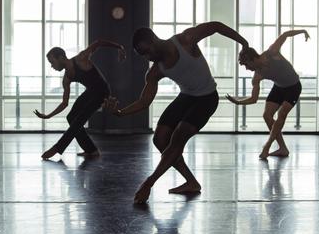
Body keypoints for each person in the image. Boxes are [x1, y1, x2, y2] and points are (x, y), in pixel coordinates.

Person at [104, 21, 249, 203]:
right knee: (159, 139)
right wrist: (119, 112)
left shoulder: (185, 40)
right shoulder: (155, 71)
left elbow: (217, 27)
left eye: (147, 51)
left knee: (178, 138)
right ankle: (191, 182)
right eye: (143, 55)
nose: (147, 57)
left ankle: (150, 183)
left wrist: (244, 43)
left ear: (154, 39)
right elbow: (144, 102)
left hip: (207, 98)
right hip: (187, 96)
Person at [34, 39, 126, 159]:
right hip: (91, 92)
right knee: (71, 117)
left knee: (78, 120)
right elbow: (64, 103)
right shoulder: (66, 79)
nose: (52, 66)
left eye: (52, 62)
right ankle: (91, 150)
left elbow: (98, 43)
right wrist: (48, 116)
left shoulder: (80, 58)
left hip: (102, 92)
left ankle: (58, 148)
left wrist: (119, 46)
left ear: (61, 57)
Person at [227, 29, 308, 160]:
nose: (247, 69)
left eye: (246, 65)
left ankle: (267, 146)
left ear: (252, 59)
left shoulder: (272, 53)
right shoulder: (257, 76)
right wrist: (238, 102)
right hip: (278, 88)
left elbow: (285, 35)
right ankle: (282, 148)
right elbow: (254, 99)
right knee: (267, 115)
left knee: (281, 114)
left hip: (293, 87)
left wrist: (303, 31)